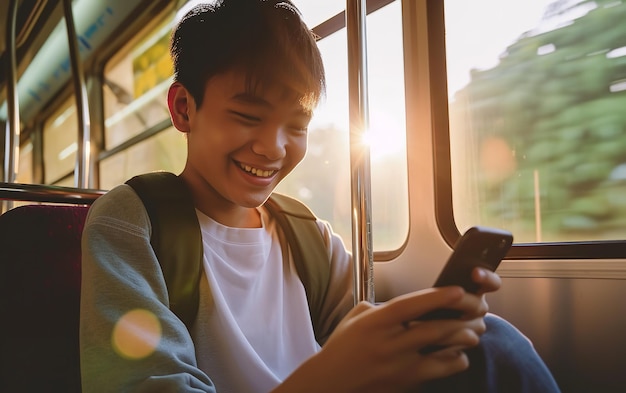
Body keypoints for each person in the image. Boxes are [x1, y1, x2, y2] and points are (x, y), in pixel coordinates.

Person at [79, 1, 561, 392]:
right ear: (185, 108)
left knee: (487, 342)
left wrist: (429, 329)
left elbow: (364, 337)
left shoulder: (304, 233)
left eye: (297, 126)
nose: (273, 147)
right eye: (248, 116)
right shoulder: (133, 223)